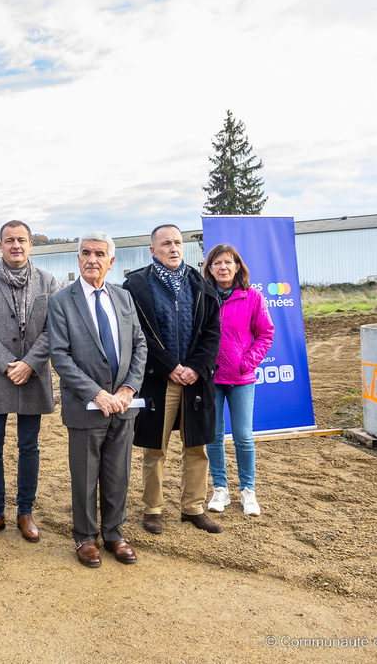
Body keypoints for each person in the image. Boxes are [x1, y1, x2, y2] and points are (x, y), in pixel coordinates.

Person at [48, 232, 146, 567]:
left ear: (111, 261)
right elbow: (60, 355)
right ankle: (86, 538)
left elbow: (139, 346)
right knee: (85, 477)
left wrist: (128, 389)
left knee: (118, 475)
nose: (92, 259)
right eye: (86, 253)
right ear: (78, 259)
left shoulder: (123, 298)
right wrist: (96, 393)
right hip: (86, 408)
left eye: (99, 254)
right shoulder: (61, 301)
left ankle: (114, 534)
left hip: (123, 406)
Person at [123, 224, 223, 535]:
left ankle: (193, 507)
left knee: (197, 447)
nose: (173, 248)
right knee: (156, 449)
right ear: (153, 250)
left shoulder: (200, 284)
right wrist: (169, 365)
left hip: (195, 381)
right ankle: (152, 509)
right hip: (158, 380)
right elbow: (136, 335)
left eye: (178, 242)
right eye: (166, 244)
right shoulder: (136, 286)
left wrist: (194, 367)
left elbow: (212, 333)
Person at [0, 221, 58, 542]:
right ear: (0, 246)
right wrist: (10, 366)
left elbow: (53, 329)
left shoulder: (48, 282)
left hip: (32, 377)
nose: (15, 245)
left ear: (31, 244)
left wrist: (29, 364)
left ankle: (25, 511)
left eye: (21, 240)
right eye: (9, 240)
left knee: (28, 446)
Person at [202, 244, 274, 517]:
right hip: (210, 378)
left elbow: (266, 333)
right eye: (217, 262)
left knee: (243, 437)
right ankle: (220, 489)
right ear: (209, 269)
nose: (223, 267)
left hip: (242, 378)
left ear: (237, 267)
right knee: (214, 436)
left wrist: (247, 362)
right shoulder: (204, 297)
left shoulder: (252, 297)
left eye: (228, 262)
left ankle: (248, 491)